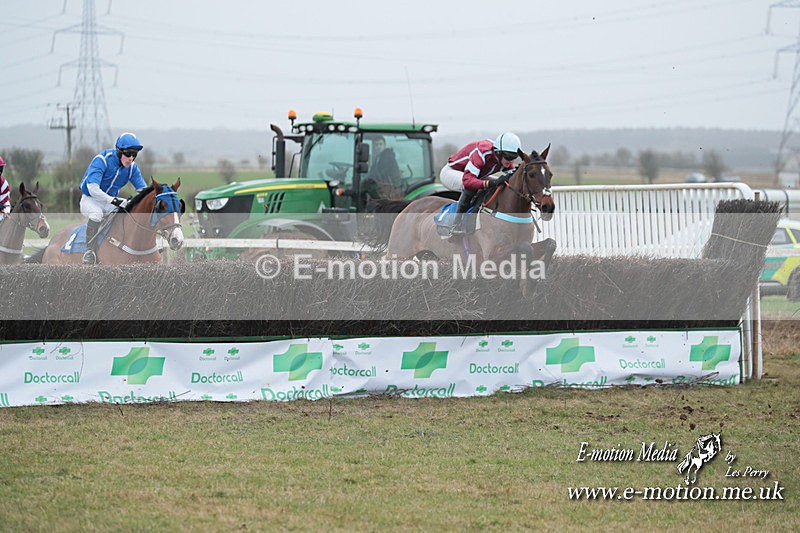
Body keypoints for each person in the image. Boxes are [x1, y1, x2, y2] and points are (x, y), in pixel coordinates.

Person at [79, 132, 147, 264]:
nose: (131, 159)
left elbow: (143, 191)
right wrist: (114, 200)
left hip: (110, 202)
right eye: (128, 154)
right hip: (90, 199)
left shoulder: (132, 168)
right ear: (119, 151)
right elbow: (93, 189)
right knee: (96, 214)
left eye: (134, 155)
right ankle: (89, 251)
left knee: (127, 214)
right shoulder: (102, 160)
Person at [439, 132, 522, 233]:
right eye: (509, 157)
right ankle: (456, 225)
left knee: (501, 184)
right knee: (473, 187)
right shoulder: (482, 153)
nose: (511, 161)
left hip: (475, 175)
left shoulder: (505, 159)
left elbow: (512, 179)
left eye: (514, 157)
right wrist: (492, 183)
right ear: (498, 153)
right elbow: (468, 181)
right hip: (451, 172)